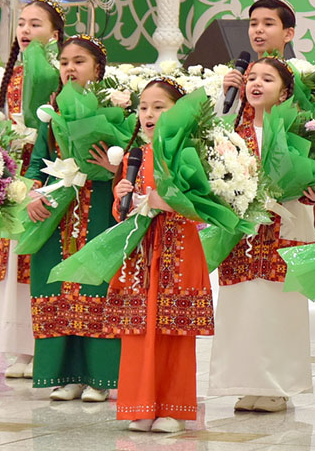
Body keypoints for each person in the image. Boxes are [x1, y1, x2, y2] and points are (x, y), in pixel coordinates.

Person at [208, 56, 315, 412]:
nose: (256, 84)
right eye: (251, 78)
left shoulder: (302, 132)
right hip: (241, 234)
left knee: (280, 306)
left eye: (267, 79)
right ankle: (246, 382)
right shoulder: (230, 131)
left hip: (285, 226)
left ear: (285, 91)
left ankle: (278, 385)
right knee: (242, 305)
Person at [110, 77, 213, 433]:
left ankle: (173, 407)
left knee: (173, 331)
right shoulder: (133, 157)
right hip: (140, 257)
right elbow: (121, 213)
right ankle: (139, 405)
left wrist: (164, 202)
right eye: (143, 107)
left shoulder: (190, 154)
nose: (148, 114)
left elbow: (203, 207)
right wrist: (122, 196)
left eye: (159, 107)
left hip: (179, 251)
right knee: (138, 330)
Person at [24, 35, 121, 402]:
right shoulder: (51, 111)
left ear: (97, 68)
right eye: (64, 61)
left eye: (79, 61)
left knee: (94, 285)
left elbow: (132, 159)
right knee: (56, 286)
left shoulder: (114, 108)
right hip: (56, 211)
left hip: (99, 208)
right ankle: (66, 376)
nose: (69, 68)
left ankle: (99, 378)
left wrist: (113, 167)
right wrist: (32, 193)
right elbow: (37, 161)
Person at [0, 0, 65, 380]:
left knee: (36, 255)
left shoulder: (58, 72)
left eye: (36, 24)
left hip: (44, 170)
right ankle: (20, 346)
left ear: (55, 33)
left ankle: (41, 342)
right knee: (13, 258)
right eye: (22, 24)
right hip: (15, 170)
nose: (26, 31)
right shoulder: (12, 74)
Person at [217, 0, 297, 115]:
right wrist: (225, 94)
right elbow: (220, 124)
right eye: (253, 24)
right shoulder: (241, 75)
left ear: (288, 34)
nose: (258, 30)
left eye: (268, 24)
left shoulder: (297, 75)